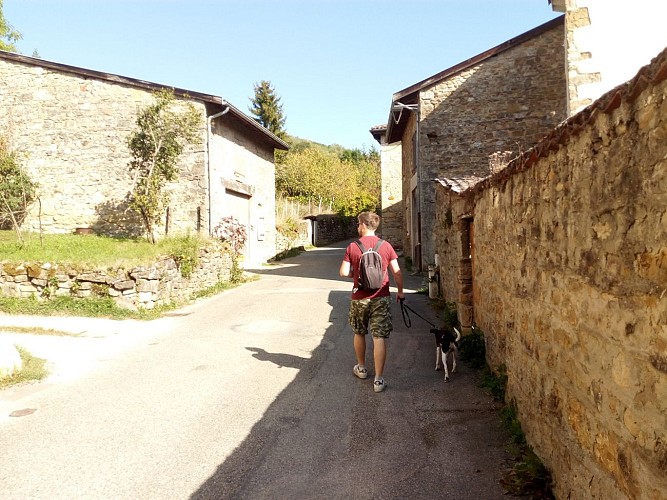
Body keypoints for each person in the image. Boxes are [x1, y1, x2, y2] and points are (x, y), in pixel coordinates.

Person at [339, 211, 404, 393]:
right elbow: (397, 272)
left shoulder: (353, 246)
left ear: (364, 224)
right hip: (381, 297)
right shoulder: (386, 246)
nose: (357, 227)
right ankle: (378, 380)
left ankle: (361, 368)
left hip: (359, 298)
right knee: (379, 337)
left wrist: (356, 275)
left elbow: (343, 272)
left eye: (358, 224)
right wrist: (400, 292)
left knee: (359, 333)